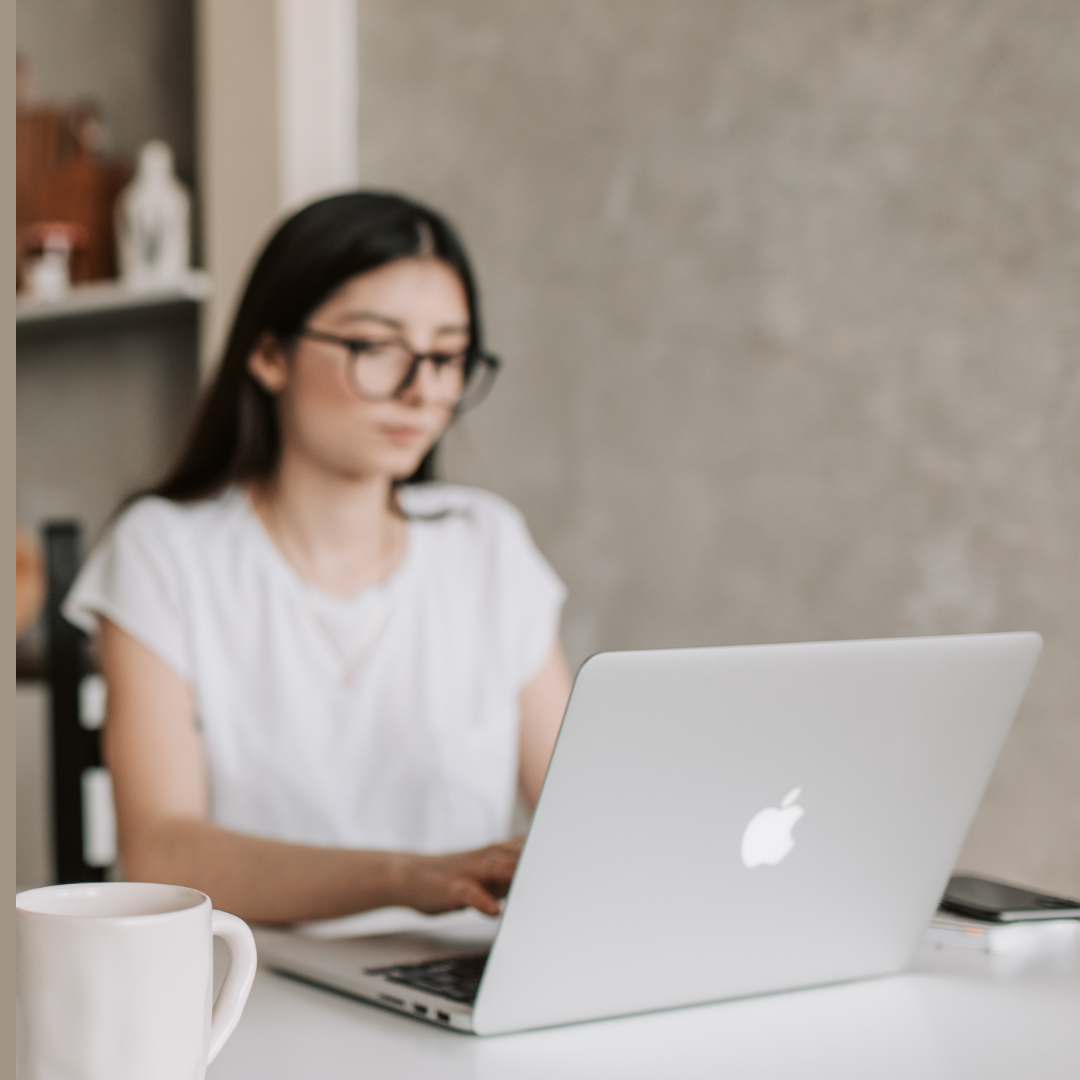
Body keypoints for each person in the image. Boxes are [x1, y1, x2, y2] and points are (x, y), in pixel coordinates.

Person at [64, 192, 572, 925]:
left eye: (449, 355)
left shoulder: (486, 545)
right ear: (270, 354)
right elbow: (161, 853)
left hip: (456, 982)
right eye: (377, 348)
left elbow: (576, 810)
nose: (423, 389)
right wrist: (407, 877)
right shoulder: (163, 554)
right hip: (247, 987)